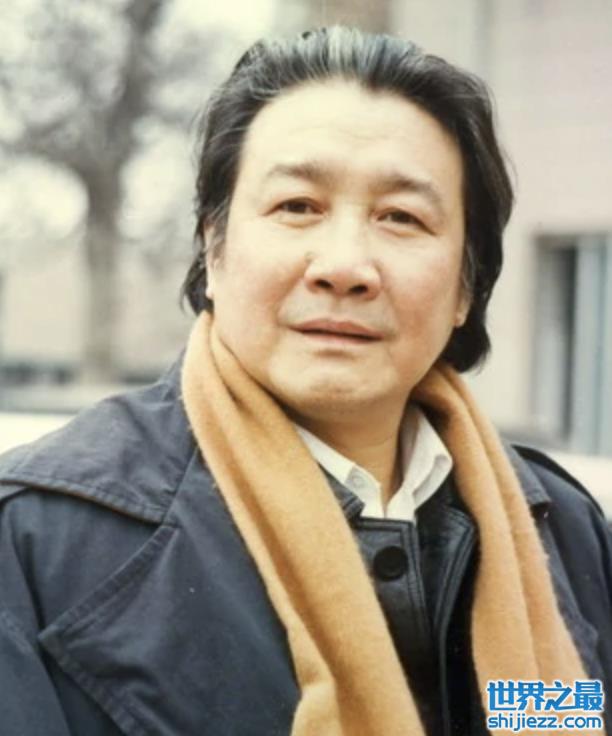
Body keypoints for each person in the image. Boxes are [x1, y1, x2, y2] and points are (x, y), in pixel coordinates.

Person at [0, 26, 610, 736]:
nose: (344, 266)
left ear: (466, 287)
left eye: (401, 217)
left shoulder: (563, 533)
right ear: (214, 249)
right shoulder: (39, 539)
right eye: (298, 206)